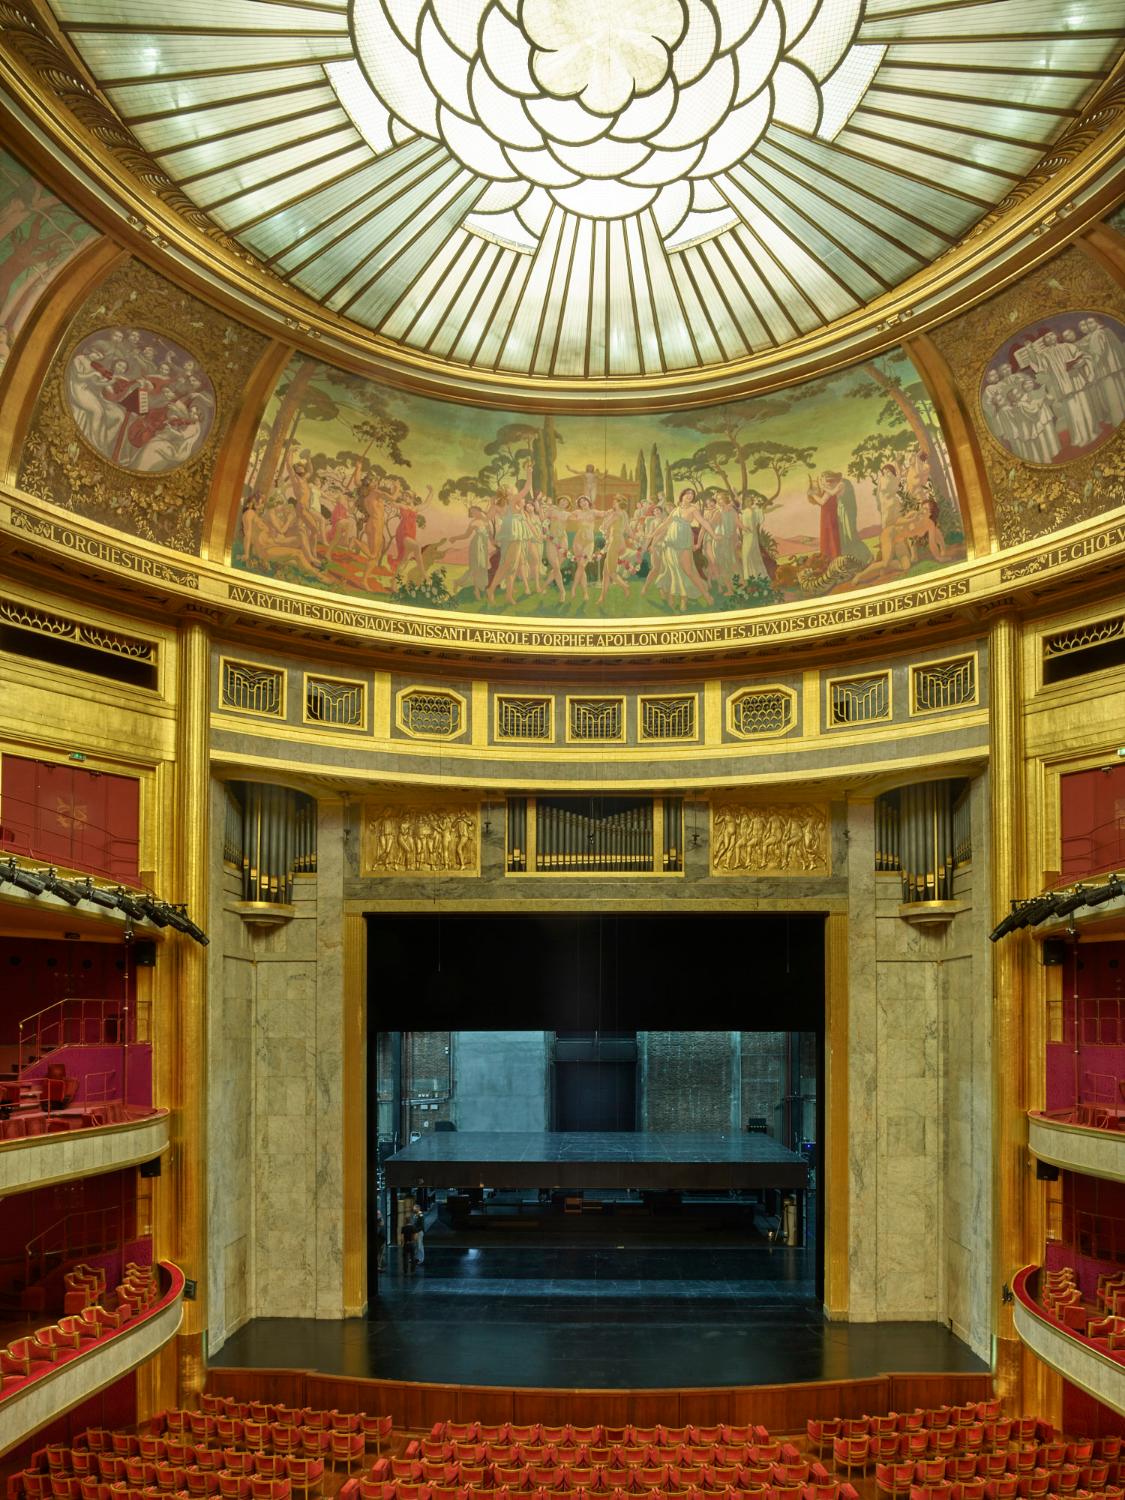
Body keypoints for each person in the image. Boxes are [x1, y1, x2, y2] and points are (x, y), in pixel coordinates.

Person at [400, 1208, 417, 1273]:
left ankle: (405, 1270)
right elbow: (415, 1237)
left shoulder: (403, 1228)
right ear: (410, 1221)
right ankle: (413, 1270)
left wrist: (402, 1244)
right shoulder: (413, 1227)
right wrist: (414, 1242)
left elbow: (402, 1237)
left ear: (405, 1221)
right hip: (412, 1244)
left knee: (405, 1258)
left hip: (406, 1244)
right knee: (413, 1257)